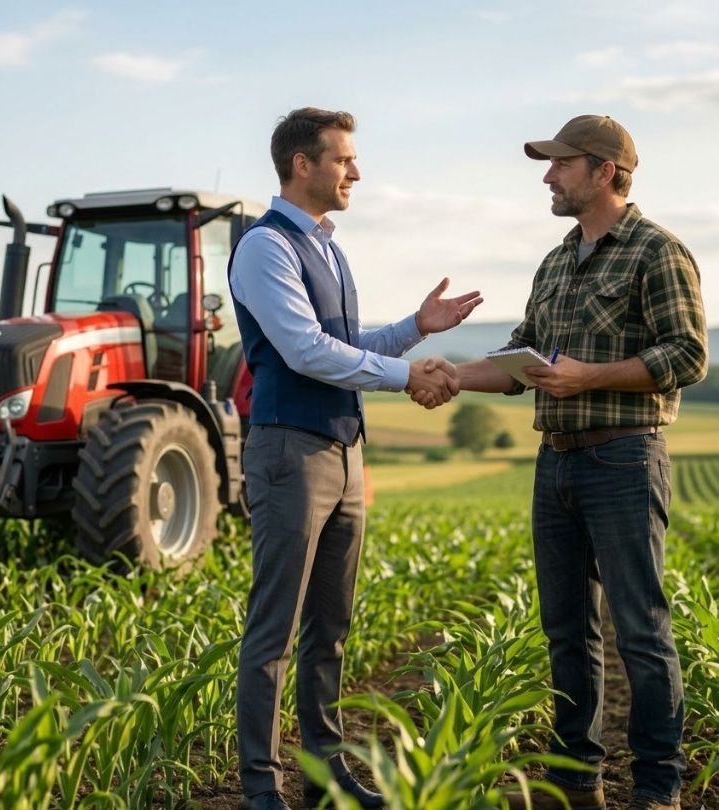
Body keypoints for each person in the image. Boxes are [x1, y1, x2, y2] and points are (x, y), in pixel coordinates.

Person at [429, 115, 707, 810]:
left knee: (639, 629)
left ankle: (656, 786)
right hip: (554, 465)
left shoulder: (656, 251)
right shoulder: (555, 262)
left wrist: (591, 377)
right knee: (565, 631)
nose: (548, 176)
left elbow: (688, 356)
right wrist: (453, 377)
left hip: (623, 460)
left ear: (604, 171)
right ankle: (577, 779)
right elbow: (519, 361)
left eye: (561, 164)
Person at [228, 106, 483, 810]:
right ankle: (259, 788)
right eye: (344, 159)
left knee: (331, 630)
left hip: (343, 453)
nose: (357, 171)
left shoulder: (330, 249)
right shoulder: (265, 246)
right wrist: (411, 376)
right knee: (274, 629)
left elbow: (344, 342)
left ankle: (324, 775)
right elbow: (306, 351)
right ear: (302, 164)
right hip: (289, 451)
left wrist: (412, 330)